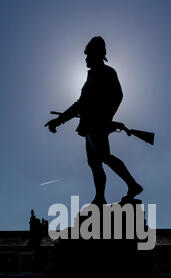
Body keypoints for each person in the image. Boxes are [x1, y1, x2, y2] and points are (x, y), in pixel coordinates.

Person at [45, 36, 143, 205]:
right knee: (94, 162)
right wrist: (61, 119)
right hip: (90, 125)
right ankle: (100, 197)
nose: (85, 59)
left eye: (88, 55)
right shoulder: (93, 76)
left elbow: (116, 97)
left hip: (97, 124)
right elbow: (82, 104)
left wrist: (104, 116)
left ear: (96, 55)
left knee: (104, 156)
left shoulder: (105, 73)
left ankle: (132, 185)